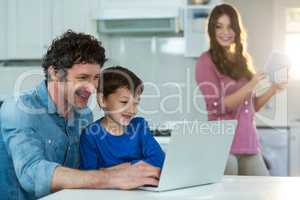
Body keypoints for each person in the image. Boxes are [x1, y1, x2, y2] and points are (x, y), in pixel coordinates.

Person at [0, 30, 160, 200]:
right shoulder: (19, 110)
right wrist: (109, 177)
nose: (92, 88)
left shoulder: (84, 115)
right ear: (55, 73)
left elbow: (82, 172)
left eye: (96, 78)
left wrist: (117, 172)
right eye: (83, 77)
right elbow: (32, 174)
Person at [195, 4, 287, 176]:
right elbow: (217, 106)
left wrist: (273, 89)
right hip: (223, 146)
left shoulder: (242, 60)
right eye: (219, 27)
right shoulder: (205, 62)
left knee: (263, 191)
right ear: (212, 30)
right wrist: (251, 85)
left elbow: (252, 106)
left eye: (230, 26)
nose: (225, 32)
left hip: (250, 144)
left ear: (237, 30)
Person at [80, 66, 165, 170]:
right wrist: (140, 166)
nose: (132, 110)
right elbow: (89, 175)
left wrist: (120, 169)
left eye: (136, 103)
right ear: (102, 100)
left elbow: (159, 160)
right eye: (124, 102)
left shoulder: (139, 126)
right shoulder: (90, 135)